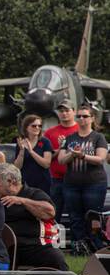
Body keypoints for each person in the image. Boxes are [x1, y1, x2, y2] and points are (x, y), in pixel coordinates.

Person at [0, 163, 66, 270]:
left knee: (55, 257)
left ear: (10, 182)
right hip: (5, 248)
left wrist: (22, 201)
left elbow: (50, 212)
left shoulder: (34, 194)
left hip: (33, 247)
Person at [57, 102, 109, 251]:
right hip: (72, 184)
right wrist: (72, 155)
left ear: (92, 118)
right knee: (75, 217)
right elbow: (61, 160)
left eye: (85, 116)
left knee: (93, 217)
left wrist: (83, 155)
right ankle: (78, 247)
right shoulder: (70, 138)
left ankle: (96, 247)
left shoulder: (98, 137)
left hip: (94, 183)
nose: (81, 119)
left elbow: (101, 159)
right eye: (79, 116)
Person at [43, 99, 82, 222]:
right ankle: (54, 240)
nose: (64, 113)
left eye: (67, 110)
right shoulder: (50, 133)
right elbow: (48, 159)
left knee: (76, 214)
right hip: (56, 179)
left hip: (77, 178)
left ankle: (78, 241)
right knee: (54, 213)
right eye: (61, 111)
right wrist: (61, 148)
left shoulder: (81, 130)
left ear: (74, 112)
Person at [14, 114, 54, 194]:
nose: (37, 128)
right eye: (34, 126)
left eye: (39, 126)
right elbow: (17, 167)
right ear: (26, 127)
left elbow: (46, 164)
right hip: (25, 182)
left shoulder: (45, 142)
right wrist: (22, 151)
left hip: (43, 182)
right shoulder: (21, 142)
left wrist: (31, 151)